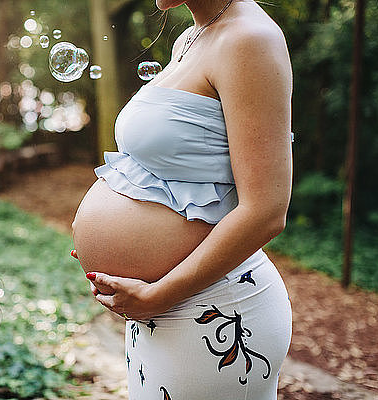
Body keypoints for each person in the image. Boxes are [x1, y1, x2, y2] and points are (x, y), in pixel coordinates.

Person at [70, 0, 294, 399]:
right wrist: (110, 244)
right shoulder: (191, 37)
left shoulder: (250, 40)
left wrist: (158, 294)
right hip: (162, 309)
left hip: (215, 312)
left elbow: (266, 211)